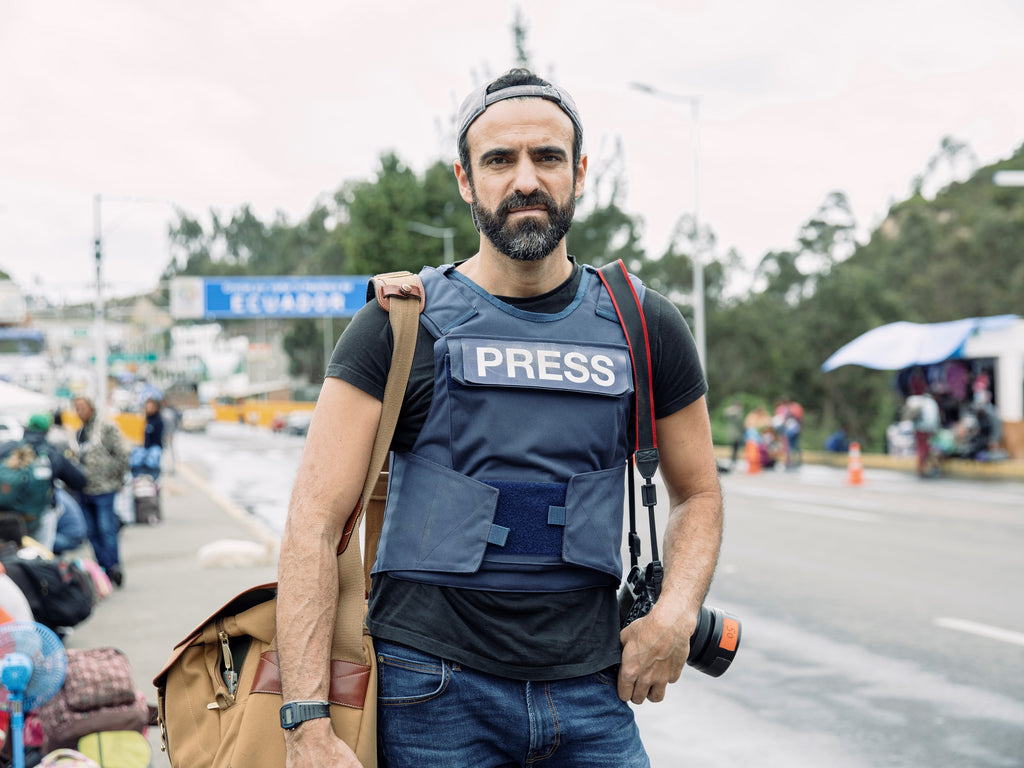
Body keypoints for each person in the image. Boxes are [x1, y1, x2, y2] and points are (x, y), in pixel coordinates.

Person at [275, 68, 723, 768]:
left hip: (591, 692)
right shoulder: (399, 326)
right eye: (499, 160)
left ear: (577, 172)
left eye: (546, 158)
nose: (525, 180)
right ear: (465, 178)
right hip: (433, 693)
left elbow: (698, 493)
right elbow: (314, 524)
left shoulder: (643, 323)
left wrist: (675, 612)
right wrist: (306, 722)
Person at [0, 412, 87, 551]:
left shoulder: (7, 447)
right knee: (40, 553)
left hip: (6, 517)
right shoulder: (52, 453)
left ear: (27, 427)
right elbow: (79, 481)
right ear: (48, 429)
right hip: (39, 516)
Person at [73, 396, 130, 587]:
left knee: (107, 530)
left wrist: (117, 480)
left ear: (91, 407)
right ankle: (103, 568)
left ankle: (114, 566)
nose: (79, 411)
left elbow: (122, 453)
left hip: (104, 489)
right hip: (84, 490)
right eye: (76, 408)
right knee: (91, 532)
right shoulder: (80, 433)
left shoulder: (106, 428)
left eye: (82, 407)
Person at [130, 397, 164, 480]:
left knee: (152, 460)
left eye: (151, 407)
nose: (148, 409)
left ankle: (153, 481)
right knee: (135, 459)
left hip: (154, 447)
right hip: (143, 447)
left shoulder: (158, 421)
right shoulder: (143, 419)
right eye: (147, 407)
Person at [724, 398, 744, 467]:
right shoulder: (734, 411)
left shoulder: (739, 411)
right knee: (734, 447)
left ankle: (734, 459)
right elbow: (727, 412)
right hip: (734, 432)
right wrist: (735, 409)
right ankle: (733, 459)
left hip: (738, 433)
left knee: (736, 447)